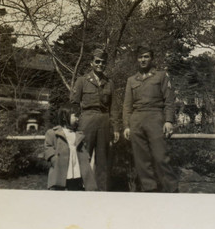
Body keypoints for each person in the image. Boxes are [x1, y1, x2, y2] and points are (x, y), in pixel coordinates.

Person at [123, 45, 179, 193]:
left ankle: (172, 191)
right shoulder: (131, 80)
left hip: (155, 118)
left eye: (146, 56)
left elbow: (169, 100)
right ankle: (150, 191)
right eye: (140, 57)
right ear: (137, 59)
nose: (143, 60)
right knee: (142, 161)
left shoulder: (161, 76)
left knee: (161, 158)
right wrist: (127, 125)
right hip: (136, 120)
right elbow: (127, 105)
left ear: (152, 58)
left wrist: (168, 121)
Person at [70, 48, 119, 191]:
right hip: (86, 121)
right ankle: (79, 190)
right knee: (83, 158)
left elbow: (114, 107)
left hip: (104, 122)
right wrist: (73, 122)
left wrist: (116, 128)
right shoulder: (82, 81)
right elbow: (73, 104)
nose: (100, 64)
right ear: (92, 63)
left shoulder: (109, 83)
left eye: (103, 62)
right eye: (97, 61)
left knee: (103, 161)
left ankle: (101, 192)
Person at [44, 104, 98, 191]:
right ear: (64, 117)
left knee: (75, 188)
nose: (77, 118)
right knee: (58, 190)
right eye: (75, 116)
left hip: (75, 165)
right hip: (61, 166)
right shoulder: (53, 133)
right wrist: (54, 159)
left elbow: (83, 150)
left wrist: (86, 159)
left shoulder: (78, 134)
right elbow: (48, 147)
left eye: (78, 116)